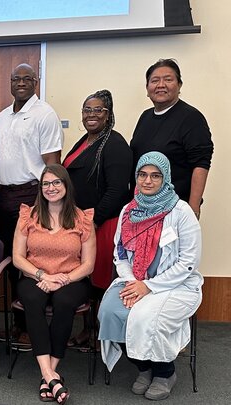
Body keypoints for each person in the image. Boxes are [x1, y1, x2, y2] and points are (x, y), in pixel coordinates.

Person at [98, 152, 203, 401]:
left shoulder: (181, 211)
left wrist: (149, 286)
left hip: (175, 286)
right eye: (143, 175)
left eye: (155, 175)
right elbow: (120, 255)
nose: (147, 181)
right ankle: (143, 368)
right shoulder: (128, 211)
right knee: (110, 312)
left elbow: (188, 262)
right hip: (135, 281)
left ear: (165, 178)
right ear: (136, 177)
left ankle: (164, 373)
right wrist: (133, 281)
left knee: (145, 317)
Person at [0, 63, 64, 346]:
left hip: (33, 195)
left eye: (27, 78)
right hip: (5, 197)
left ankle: (33, 326)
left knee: (32, 260)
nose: (21, 83)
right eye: (16, 79)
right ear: (10, 83)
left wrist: (47, 202)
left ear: (36, 82)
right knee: (11, 261)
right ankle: (17, 323)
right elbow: (2, 162)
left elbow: (53, 164)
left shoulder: (44, 114)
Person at [12, 164, 96, 404]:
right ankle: (49, 375)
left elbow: (88, 264)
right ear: (40, 188)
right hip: (34, 277)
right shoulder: (29, 215)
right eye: (46, 184)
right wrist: (42, 276)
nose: (51, 188)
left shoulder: (82, 219)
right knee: (33, 300)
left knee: (64, 302)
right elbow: (18, 257)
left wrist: (64, 280)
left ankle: (47, 373)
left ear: (66, 185)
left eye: (56, 182)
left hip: (71, 279)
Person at [62, 90, 132, 347]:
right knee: (86, 281)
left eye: (98, 110)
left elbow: (117, 191)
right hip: (80, 223)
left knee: (100, 281)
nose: (91, 115)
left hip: (103, 224)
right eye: (87, 110)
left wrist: (94, 221)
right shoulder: (85, 140)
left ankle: (103, 336)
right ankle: (88, 331)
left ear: (109, 114)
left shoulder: (115, 144)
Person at [130, 59, 213, 219]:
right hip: (143, 208)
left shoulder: (191, 118)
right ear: (147, 89)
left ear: (179, 85)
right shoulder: (145, 117)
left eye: (168, 79)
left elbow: (201, 163)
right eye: (155, 80)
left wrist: (193, 209)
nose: (161, 85)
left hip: (175, 209)